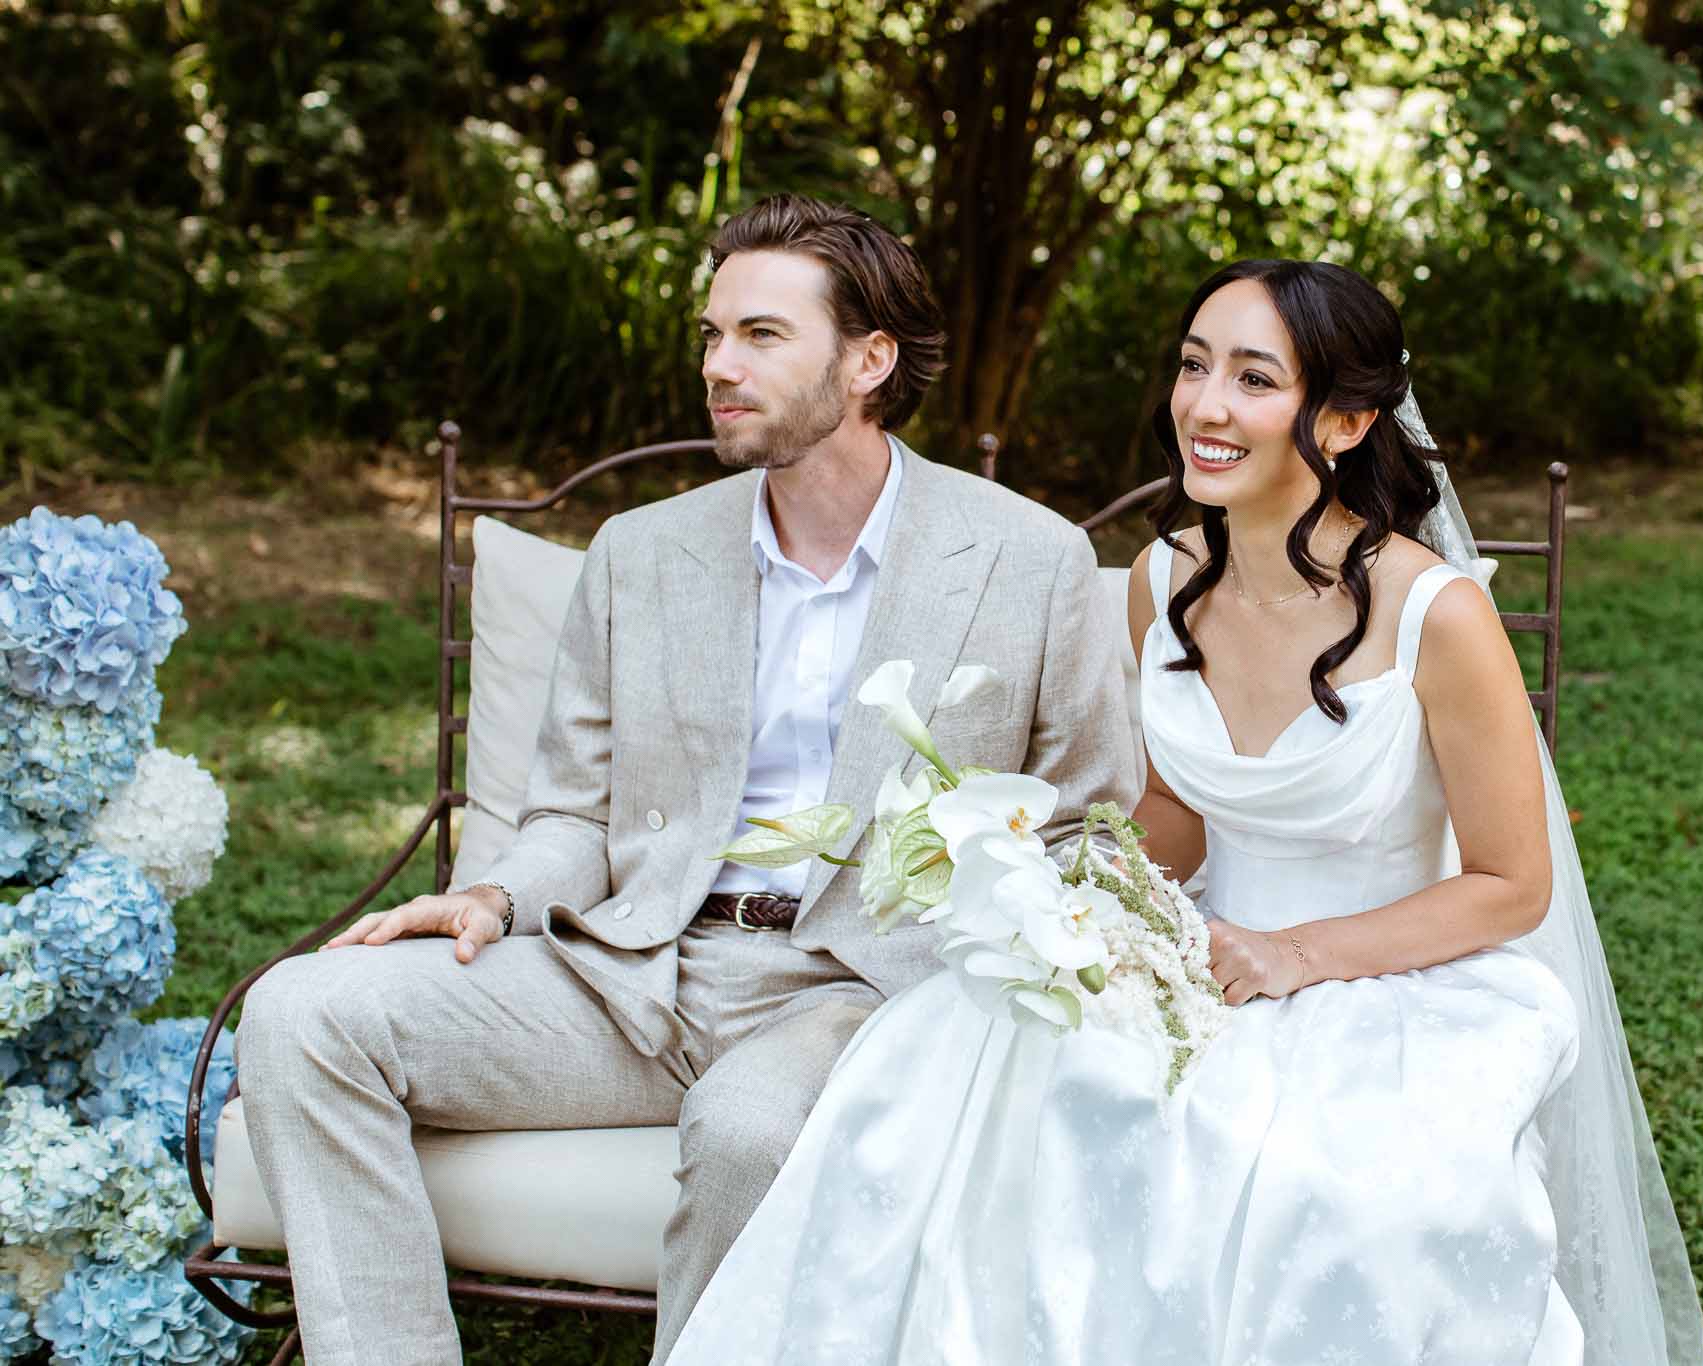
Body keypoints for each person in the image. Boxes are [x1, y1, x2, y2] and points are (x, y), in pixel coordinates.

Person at [665, 259, 1703, 1364]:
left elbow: (1512, 885)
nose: (1205, 406)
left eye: (1255, 380)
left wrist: (1294, 953)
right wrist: (1038, 881)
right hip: (1192, 954)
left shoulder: (1433, 615)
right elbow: (1176, 814)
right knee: (972, 1091)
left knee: (1332, 1201)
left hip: (1393, 978)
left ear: (1346, 420)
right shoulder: (1159, 578)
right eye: (1192, 365)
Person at [232, 193, 1139, 1365]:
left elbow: (1087, 827)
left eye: (761, 335)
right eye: (712, 335)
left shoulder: (1029, 559)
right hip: (637, 974)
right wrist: (496, 898)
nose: (719, 365)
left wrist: (988, 949)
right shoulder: (641, 552)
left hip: (857, 989)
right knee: (302, 1010)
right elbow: (570, 806)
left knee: (746, 1131)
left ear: (868, 361)